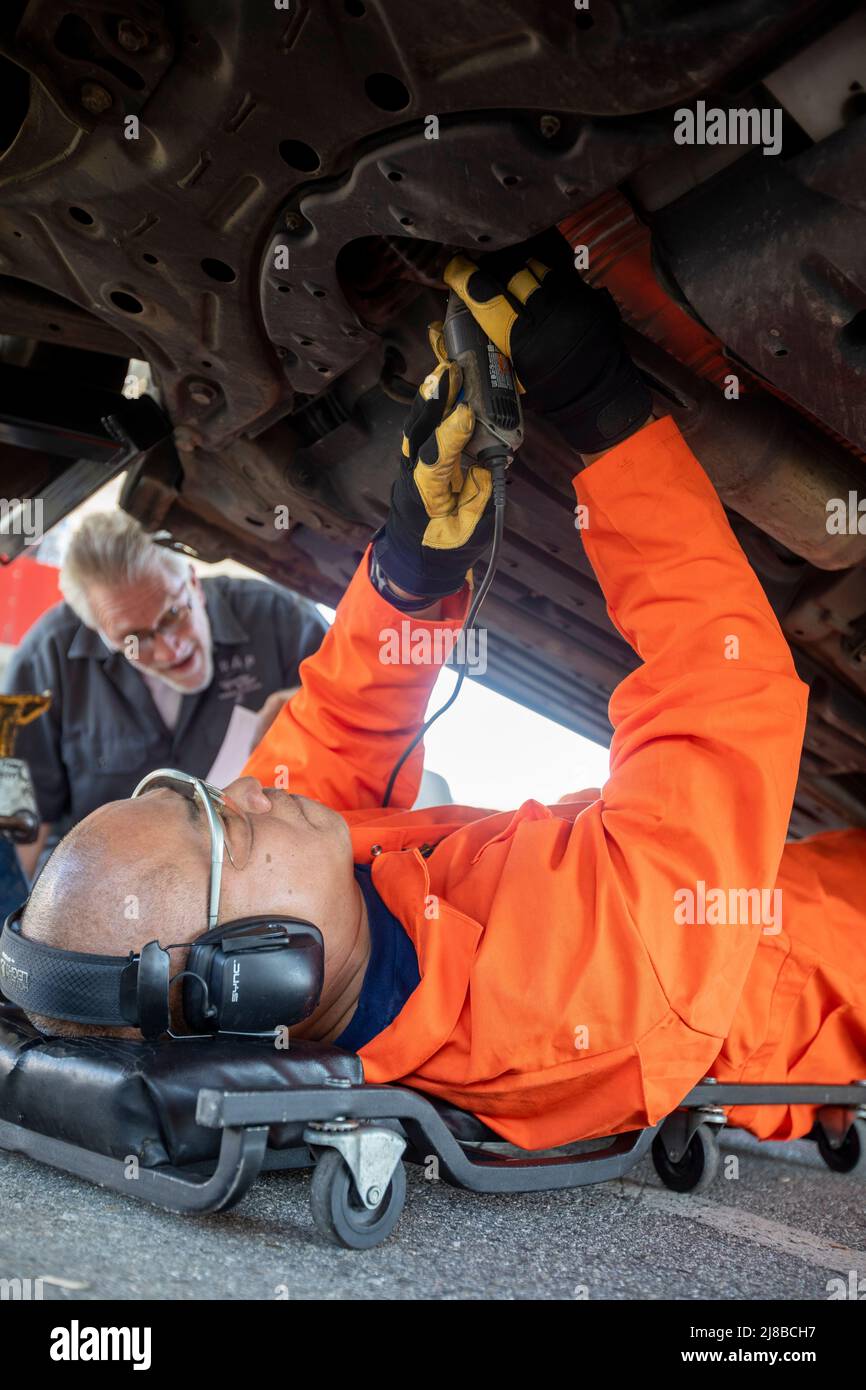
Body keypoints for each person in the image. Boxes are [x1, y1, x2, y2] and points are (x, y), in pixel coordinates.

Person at [6, 246, 864, 1152]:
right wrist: (602, 410)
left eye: (202, 796)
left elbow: (332, 730)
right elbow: (721, 688)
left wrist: (408, 577)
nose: (251, 789)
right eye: (232, 828)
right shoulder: (568, 996)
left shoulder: (318, 925)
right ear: (263, 978)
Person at [3, 511, 327, 879]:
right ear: (99, 632)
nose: (170, 649)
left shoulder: (279, 620)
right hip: (106, 892)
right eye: (135, 638)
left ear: (193, 582)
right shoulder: (43, 664)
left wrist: (313, 711)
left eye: (174, 613)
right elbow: (19, 834)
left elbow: (369, 717)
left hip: (259, 879)